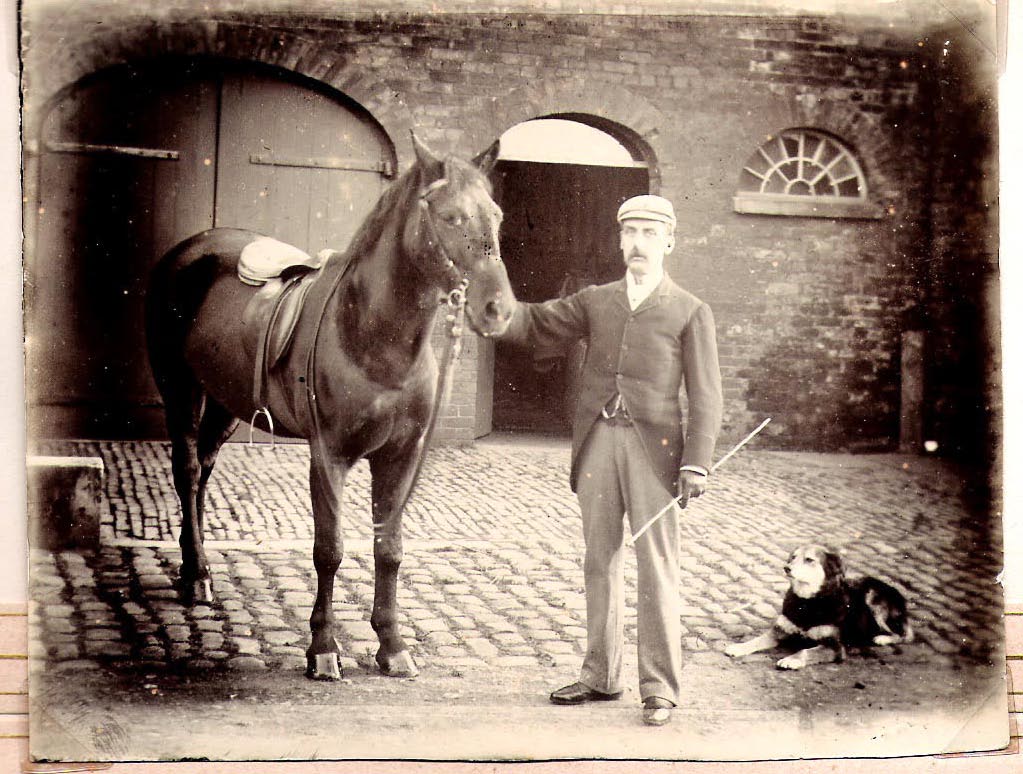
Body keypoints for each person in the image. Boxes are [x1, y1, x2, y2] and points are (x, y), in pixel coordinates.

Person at [497, 194, 723, 726]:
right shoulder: (594, 301)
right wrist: (485, 296)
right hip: (599, 439)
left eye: (650, 232)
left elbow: (707, 395)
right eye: (631, 233)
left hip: (656, 451)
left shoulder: (690, 309)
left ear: (669, 241)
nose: (639, 242)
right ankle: (600, 674)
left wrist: (696, 463)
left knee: (657, 566)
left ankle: (660, 687)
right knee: (598, 560)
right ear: (619, 240)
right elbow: (530, 324)